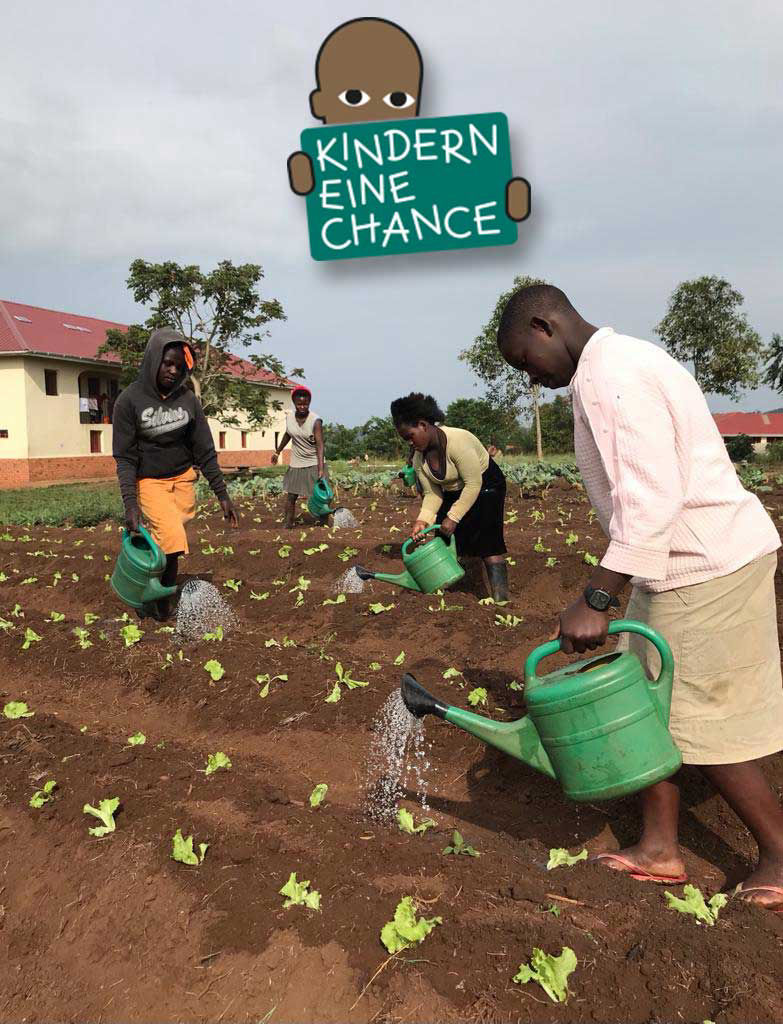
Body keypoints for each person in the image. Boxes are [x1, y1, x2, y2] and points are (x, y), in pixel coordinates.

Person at [497, 283, 783, 913]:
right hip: (671, 566)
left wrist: (598, 596)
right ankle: (660, 848)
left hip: (708, 564)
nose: (529, 378)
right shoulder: (614, 365)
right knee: (647, 705)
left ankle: (779, 857)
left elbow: (653, 498)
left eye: (524, 360)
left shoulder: (614, 378)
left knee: (692, 718)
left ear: (546, 326)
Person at [112, 328, 238, 620]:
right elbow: (125, 458)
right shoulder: (129, 401)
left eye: (178, 366)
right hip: (150, 480)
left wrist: (222, 494)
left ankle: (143, 590)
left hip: (182, 479)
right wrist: (130, 505)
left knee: (166, 543)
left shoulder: (188, 399)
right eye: (167, 363)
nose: (172, 370)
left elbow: (204, 449)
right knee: (172, 536)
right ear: (153, 359)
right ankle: (163, 608)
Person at [390, 392, 509, 602]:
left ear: (423, 425)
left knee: (488, 541)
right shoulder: (419, 458)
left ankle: (501, 599)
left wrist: (453, 517)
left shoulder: (458, 441)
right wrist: (422, 520)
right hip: (455, 490)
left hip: (486, 485)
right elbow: (432, 494)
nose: (409, 442)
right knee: (444, 538)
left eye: (410, 436)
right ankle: (455, 595)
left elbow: (474, 484)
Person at [271, 386, 328, 528]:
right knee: (291, 496)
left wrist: (321, 469)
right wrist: (277, 452)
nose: (302, 407)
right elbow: (288, 434)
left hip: (314, 461)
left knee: (321, 496)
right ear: (294, 403)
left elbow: (320, 445)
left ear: (309, 403)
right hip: (297, 462)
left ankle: (324, 524)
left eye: (305, 404)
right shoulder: (289, 418)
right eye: (299, 404)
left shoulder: (315, 421)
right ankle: (288, 523)